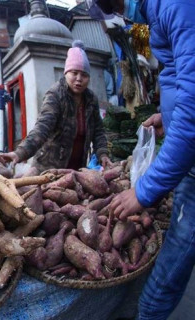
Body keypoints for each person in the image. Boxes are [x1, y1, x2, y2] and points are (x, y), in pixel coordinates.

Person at [87, 1, 195, 319]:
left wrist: (143, 192)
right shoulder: (157, 13)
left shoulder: (174, 6)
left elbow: (192, 117)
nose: (122, 14)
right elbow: (180, 80)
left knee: (163, 281)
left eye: (117, 6)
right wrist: (169, 117)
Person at [0, 40, 111, 173]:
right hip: (49, 168)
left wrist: (102, 154)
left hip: (76, 168)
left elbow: (98, 130)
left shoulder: (91, 99)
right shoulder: (56, 95)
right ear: (66, 73)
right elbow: (42, 128)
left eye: (84, 75)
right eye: (74, 73)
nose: (79, 78)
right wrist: (20, 153)